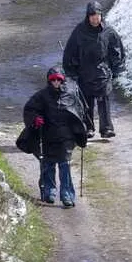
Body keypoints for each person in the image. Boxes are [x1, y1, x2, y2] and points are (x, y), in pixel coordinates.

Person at [22, 66, 90, 207]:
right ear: (49, 81)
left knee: (64, 164)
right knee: (48, 164)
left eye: (59, 80)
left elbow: (80, 111)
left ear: (63, 80)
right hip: (48, 136)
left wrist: (81, 130)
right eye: (53, 80)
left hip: (66, 137)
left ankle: (67, 195)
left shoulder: (71, 95)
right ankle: (49, 191)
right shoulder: (41, 96)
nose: (56, 83)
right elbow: (29, 109)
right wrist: (35, 119)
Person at [62, 0, 126, 138]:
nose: (95, 18)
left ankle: (106, 128)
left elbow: (116, 50)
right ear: (88, 17)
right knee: (86, 102)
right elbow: (70, 52)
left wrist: (116, 69)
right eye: (92, 16)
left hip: (103, 72)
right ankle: (88, 128)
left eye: (97, 15)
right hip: (84, 72)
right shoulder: (79, 31)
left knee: (104, 100)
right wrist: (71, 71)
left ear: (101, 16)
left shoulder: (109, 31)